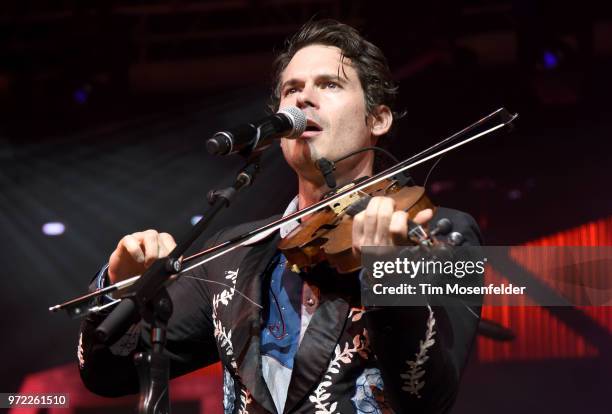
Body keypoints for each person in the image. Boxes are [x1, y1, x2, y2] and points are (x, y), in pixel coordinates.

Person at [77, 19, 482, 414]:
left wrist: (389, 277)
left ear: (378, 119)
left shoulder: (447, 232)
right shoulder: (233, 253)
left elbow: (430, 398)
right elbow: (107, 374)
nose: (303, 99)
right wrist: (117, 284)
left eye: (329, 84)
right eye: (292, 89)